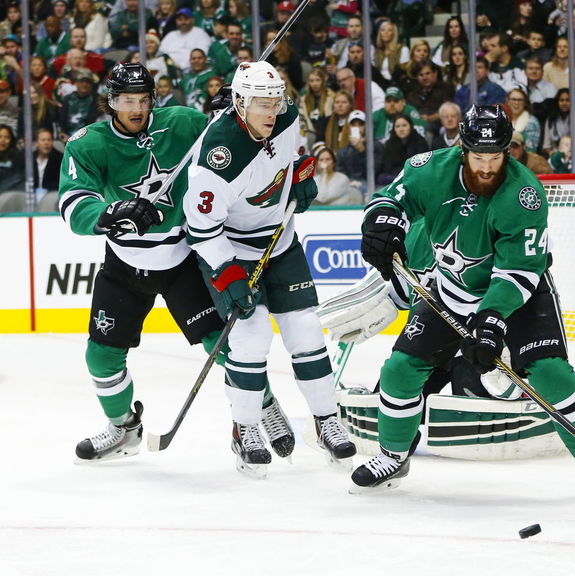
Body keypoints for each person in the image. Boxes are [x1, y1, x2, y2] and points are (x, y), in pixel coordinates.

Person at [352, 104, 575, 492]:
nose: (486, 166)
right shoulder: (428, 168)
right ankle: (393, 456)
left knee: (549, 372)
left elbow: (517, 270)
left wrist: (493, 320)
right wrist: (381, 222)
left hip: (519, 296)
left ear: (508, 151)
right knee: (399, 370)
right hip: (450, 291)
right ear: (462, 149)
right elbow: (390, 199)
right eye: (478, 156)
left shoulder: (525, 194)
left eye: (495, 157)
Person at [58, 62, 294, 465]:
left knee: (224, 347)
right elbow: (73, 201)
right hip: (126, 265)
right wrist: (110, 213)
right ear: (111, 102)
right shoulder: (88, 144)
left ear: (154, 99)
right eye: (127, 100)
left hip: (184, 258)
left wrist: (233, 114)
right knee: (100, 355)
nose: (136, 108)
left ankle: (260, 409)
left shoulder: (183, 123)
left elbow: (226, 139)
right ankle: (123, 428)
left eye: (143, 99)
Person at [182, 60, 356, 476]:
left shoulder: (286, 117)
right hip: (232, 251)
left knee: (306, 331)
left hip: (281, 241)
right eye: (261, 103)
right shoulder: (216, 159)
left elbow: (290, 158)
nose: (271, 112)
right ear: (239, 103)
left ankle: (326, 418)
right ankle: (244, 429)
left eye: (275, 101)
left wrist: (300, 177)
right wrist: (228, 274)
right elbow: (201, 230)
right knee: (250, 339)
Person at [336, 109, 384, 199]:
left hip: (373, 186)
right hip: (351, 187)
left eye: (361, 124)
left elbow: (377, 171)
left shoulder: (377, 146)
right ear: (349, 127)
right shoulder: (343, 151)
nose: (357, 127)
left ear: (366, 126)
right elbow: (341, 174)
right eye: (353, 125)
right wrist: (350, 181)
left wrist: (362, 150)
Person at [378, 113, 429, 185]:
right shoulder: (389, 143)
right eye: (397, 126)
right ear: (394, 129)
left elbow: (422, 167)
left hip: (414, 178)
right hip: (395, 177)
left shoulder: (420, 142)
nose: (401, 129)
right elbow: (387, 167)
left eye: (404, 125)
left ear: (410, 126)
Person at [160, 8, 212, 75]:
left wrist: (181, 66)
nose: (183, 22)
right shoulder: (170, 35)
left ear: (192, 20)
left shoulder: (200, 34)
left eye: (186, 19)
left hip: (191, 70)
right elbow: (160, 53)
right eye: (180, 20)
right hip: (169, 71)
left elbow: (202, 55)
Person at [506, 87, 541, 153]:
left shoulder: (532, 121)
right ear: (508, 102)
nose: (516, 103)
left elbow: (532, 148)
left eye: (520, 100)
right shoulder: (503, 119)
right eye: (513, 99)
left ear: (525, 103)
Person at [32, 127, 63, 194]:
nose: (46, 143)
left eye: (49, 140)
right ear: (36, 143)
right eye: (43, 140)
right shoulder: (29, 159)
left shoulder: (60, 159)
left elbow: (60, 184)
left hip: (51, 197)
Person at [0, 123, 22, 191]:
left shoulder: (16, 155)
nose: (2, 140)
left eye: (7, 137)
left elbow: (18, 177)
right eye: (0, 137)